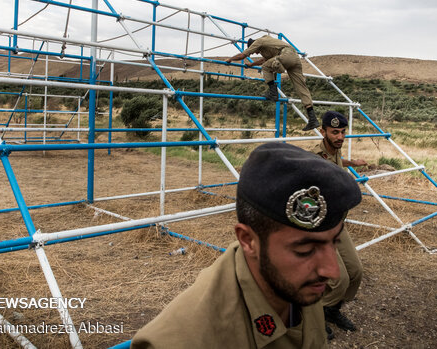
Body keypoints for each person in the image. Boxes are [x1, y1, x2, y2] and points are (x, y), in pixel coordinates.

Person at [131, 142, 362, 349]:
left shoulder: (297, 282)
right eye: (305, 250)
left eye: (334, 242)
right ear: (248, 241)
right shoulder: (183, 341)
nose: (331, 271)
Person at [313, 111, 365, 339]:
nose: (340, 137)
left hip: (338, 224)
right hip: (322, 228)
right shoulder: (315, 159)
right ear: (323, 131)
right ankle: (313, 316)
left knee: (355, 273)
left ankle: (331, 311)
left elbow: (336, 163)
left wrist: (353, 163)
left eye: (343, 132)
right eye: (335, 132)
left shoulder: (334, 150)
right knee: (340, 279)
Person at [225, 36, 320, 131]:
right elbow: (265, 60)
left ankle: (273, 93)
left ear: (253, 45)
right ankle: (313, 119)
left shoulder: (259, 41)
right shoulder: (267, 44)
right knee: (301, 87)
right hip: (294, 58)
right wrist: (252, 64)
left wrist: (230, 59)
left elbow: (243, 55)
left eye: (254, 51)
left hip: (286, 55)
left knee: (265, 67)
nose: (255, 53)